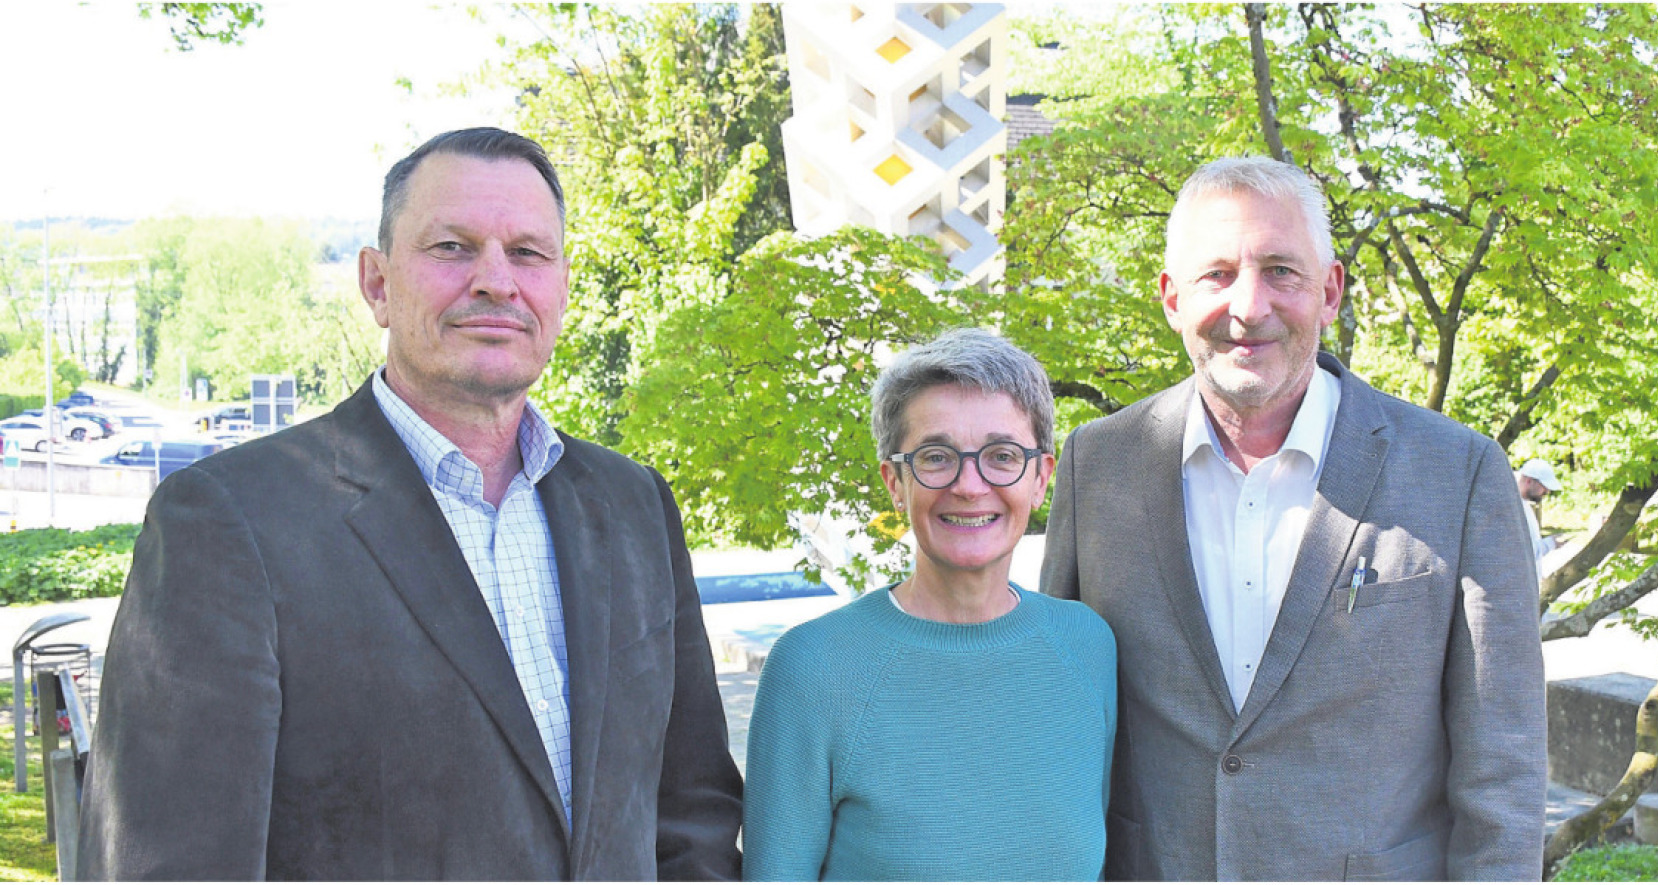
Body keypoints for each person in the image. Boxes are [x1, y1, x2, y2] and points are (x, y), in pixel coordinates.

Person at [78, 128, 744, 880]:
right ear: (376, 283)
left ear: (562, 286)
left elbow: (691, 808)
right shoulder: (230, 522)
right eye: (453, 247)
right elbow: (169, 860)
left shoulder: (633, 506)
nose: (497, 280)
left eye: (528, 252)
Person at [1041, 156, 1547, 881]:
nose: (1249, 306)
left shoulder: (1457, 473)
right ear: (1170, 298)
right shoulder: (1100, 465)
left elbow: (1505, 766)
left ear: (1330, 291)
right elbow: (1060, 720)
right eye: (1217, 274)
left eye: (1281, 269)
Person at [744, 329, 1116, 881]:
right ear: (895, 482)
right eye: (937, 457)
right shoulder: (814, 668)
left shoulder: (1087, 645)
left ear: (1042, 477)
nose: (970, 485)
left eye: (1002, 456)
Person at [1516, 458, 1563, 560]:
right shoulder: (1511, 507)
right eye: (1544, 486)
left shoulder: (1523, 504)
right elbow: (1520, 552)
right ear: (1529, 481)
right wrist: (1550, 543)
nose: (1547, 491)